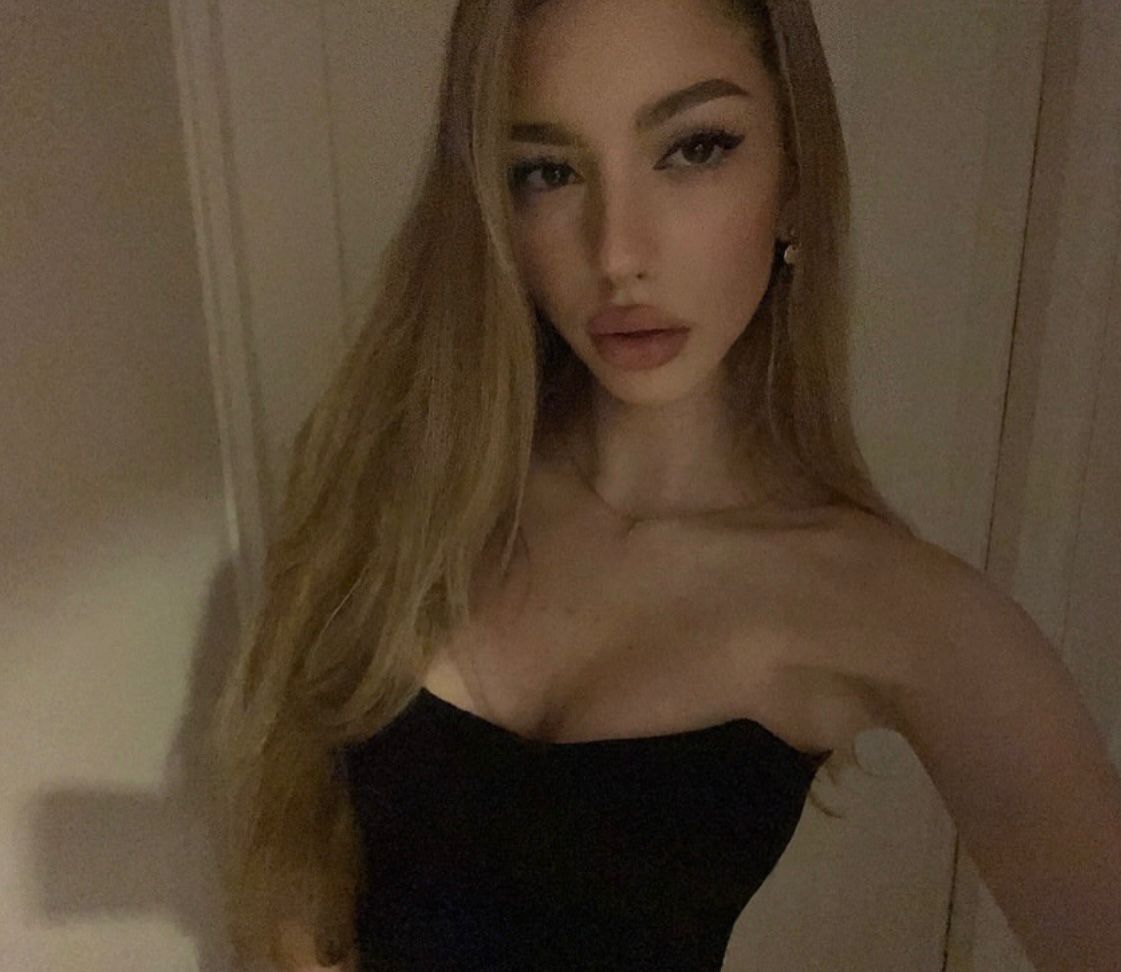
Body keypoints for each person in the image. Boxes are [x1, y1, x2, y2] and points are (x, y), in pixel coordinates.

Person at [205, 1, 1121, 970]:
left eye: (693, 149)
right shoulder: (407, 482)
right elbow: (298, 861)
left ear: (795, 177)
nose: (617, 254)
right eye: (547, 171)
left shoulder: (897, 613)